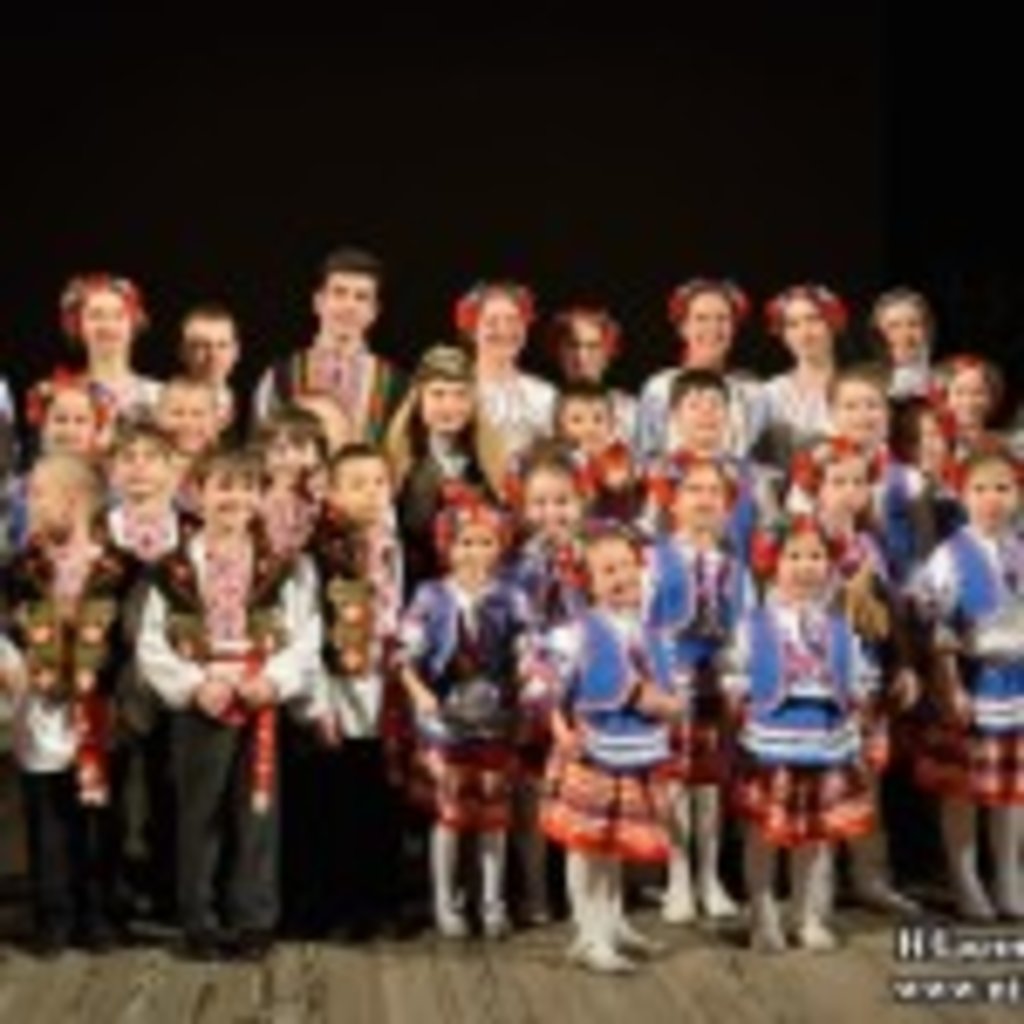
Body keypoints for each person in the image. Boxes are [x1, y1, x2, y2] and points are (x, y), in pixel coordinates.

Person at [136, 446, 322, 960]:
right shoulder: (172, 570)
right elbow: (151, 643)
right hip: (203, 700)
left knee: (257, 812)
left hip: (258, 695)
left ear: (260, 497)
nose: (233, 498)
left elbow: (305, 634)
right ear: (197, 494)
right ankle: (199, 920)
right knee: (200, 813)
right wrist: (195, 684)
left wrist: (276, 680)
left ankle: (253, 919)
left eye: (245, 487)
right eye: (222, 486)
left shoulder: (279, 569)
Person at [1, 453, 140, 954]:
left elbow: (132, 640)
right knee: (46, 815)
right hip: (40, 710)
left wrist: (117, 694)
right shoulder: (19, 569)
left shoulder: (122, 568)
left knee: (100, 814)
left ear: (76, 499)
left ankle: (99, 913)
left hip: (100, 711)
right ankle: (52, 916)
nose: (31, 503)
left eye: (40, 493)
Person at [723, 516, 878, 952]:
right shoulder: (754, 625)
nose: (805, 566)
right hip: (771, 742)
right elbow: (734, 673)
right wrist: (737, 707)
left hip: (825, 741)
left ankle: (808, 914)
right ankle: (763, 913)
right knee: (765, 833)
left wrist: (859, 710)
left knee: (816, 835)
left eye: (815, 556)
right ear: (772, 564)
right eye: (794, 556)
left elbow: (859, 678)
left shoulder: (840, 628)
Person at [539, 524, 682, 973]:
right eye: (608, 570)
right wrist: (560, 729)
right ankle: (589, 932)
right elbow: (546, 688)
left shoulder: (647, 630)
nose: (621, 577)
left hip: (634, 746)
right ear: (588, 582)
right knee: (587, 844)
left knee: (612, 842)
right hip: (593, 747)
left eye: (627, 566)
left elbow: (665, 680)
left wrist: (670, 705)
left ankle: (612, 921)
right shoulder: (578, 633)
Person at [397, 492, 530, 940]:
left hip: (494, 714)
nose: (475, 553)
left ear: (500, 546)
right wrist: (418, 692)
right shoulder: (431, 595)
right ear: (447, 547)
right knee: (449, 815)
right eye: (465, 543)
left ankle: (491, 901)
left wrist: (526, 681)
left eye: (485, 542)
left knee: (494, 817)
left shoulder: (510, 595)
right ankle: (445, 902)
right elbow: (405, 651)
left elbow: (526, 648)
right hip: (445, 715)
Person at [911, 441, 1024, 921]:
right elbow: (936, 627)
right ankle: (965, 878)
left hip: (1017, 685)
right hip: (972, 683)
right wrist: (951, 686)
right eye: (980, 489)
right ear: (962, 494)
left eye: (1002, 488)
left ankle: (1009, 875)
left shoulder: (1020, 549)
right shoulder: (949, 556)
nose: (992, 499)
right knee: (963, 787)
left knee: (1012, 789)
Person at [646, 455, 751, 924]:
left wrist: (737, 675)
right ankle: (677, 876)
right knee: (673, 783)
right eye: (694, 490)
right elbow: (644, 622)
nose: (705, 500)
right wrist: (660, 677)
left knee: (708, 786)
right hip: (671, 685)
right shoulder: (655, 560)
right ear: (672, 501)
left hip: (715, 685)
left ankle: (710, 876)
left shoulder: (734, 568)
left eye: (714, 491)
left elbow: (743, 627)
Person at [253, 246, 406, 443]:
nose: (349, 306)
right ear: (318, 302)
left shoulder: (396, 386)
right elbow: (259, 450)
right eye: (339, 293)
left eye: (361, 297)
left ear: (374, 311)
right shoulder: (280, 377)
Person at [385, 345, 505, 590]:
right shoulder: (397, 464)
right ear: (419, 399)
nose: (449, 406)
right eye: (438, 394)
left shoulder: (490, 466)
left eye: (460, 395)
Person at [636, 278, 764, 459]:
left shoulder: (752, 391)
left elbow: (760, 459)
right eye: (701, 318)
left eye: (722, 318)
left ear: (734, 328)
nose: (713, 327)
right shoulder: (659, 389)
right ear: (683, 328)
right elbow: (645, 455)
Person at [455, 280, 557, 458]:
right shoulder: (453, 390)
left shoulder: (544, 394)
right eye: (491, 322)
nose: (504, 330)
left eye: (513, 320)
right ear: (472, 331)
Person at [759, 284, 846, 468]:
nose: (804, 333)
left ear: (832, 323)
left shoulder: (856, 388)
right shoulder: (771, 394)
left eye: (813, 320)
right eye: (793, 325)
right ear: (784, 335)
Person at [58, 273, 162, 421]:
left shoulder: (158, 395)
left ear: (133, 324)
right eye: (95, 316)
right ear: (77, 325)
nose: (108, 325)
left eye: (118, 316)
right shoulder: (62, 395)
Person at [546, 306, 636, 446]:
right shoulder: (542, 407)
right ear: (559, 351)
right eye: (572, 345)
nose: (581, 356)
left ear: (608, 353)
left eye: (593, 347)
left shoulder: (630, 412)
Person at [178, 302, 242, 434]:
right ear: (183, 352)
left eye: (222, 345)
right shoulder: (164, 409)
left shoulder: (253, 406)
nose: (213, 355)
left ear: (236, 351)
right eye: (202, 346)